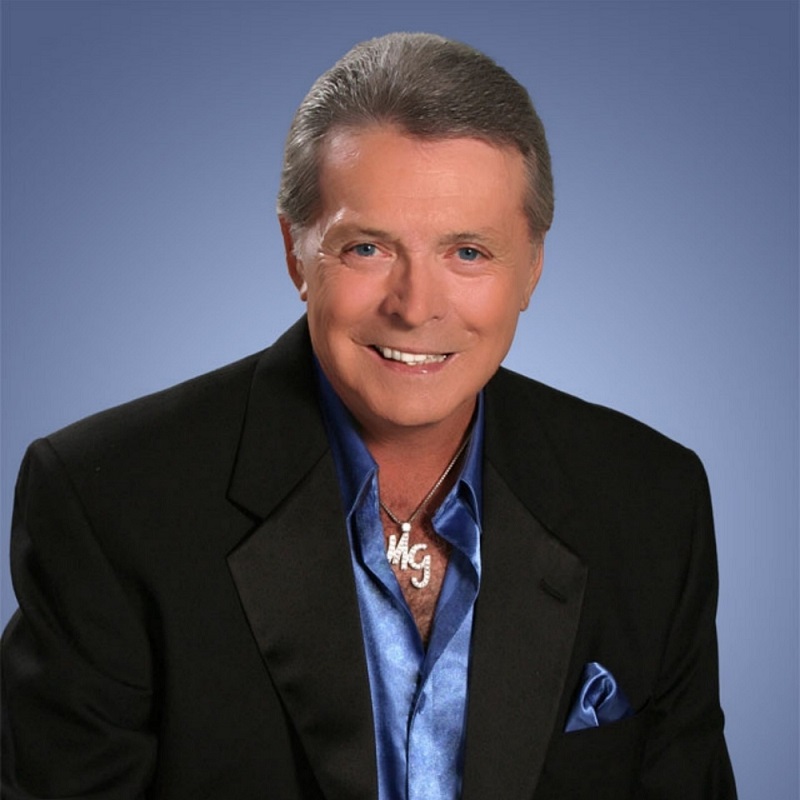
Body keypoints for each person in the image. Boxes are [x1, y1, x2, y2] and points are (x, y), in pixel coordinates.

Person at [2, 32, 736, 799]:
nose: (415, 307)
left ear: (532, 267)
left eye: (468, 252)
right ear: (295, 253)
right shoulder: (109, 504)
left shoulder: (653, 501)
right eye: (367, 249)